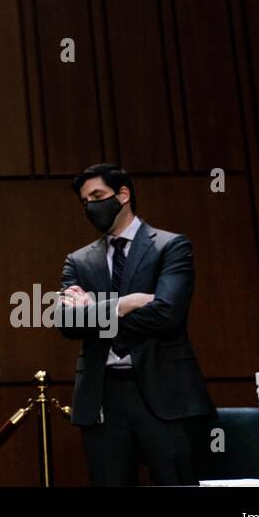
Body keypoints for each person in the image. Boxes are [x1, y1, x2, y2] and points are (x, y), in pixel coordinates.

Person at [58, 163, 216, 485]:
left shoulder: (170, 246)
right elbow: (66, 323)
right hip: (102, 395)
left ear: (123, 194)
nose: (91, 206)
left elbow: (165, 315)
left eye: (98, 195)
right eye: (85, 201)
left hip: (163, 392)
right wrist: (124, 305)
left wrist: (94, 311)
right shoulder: (78, 260)